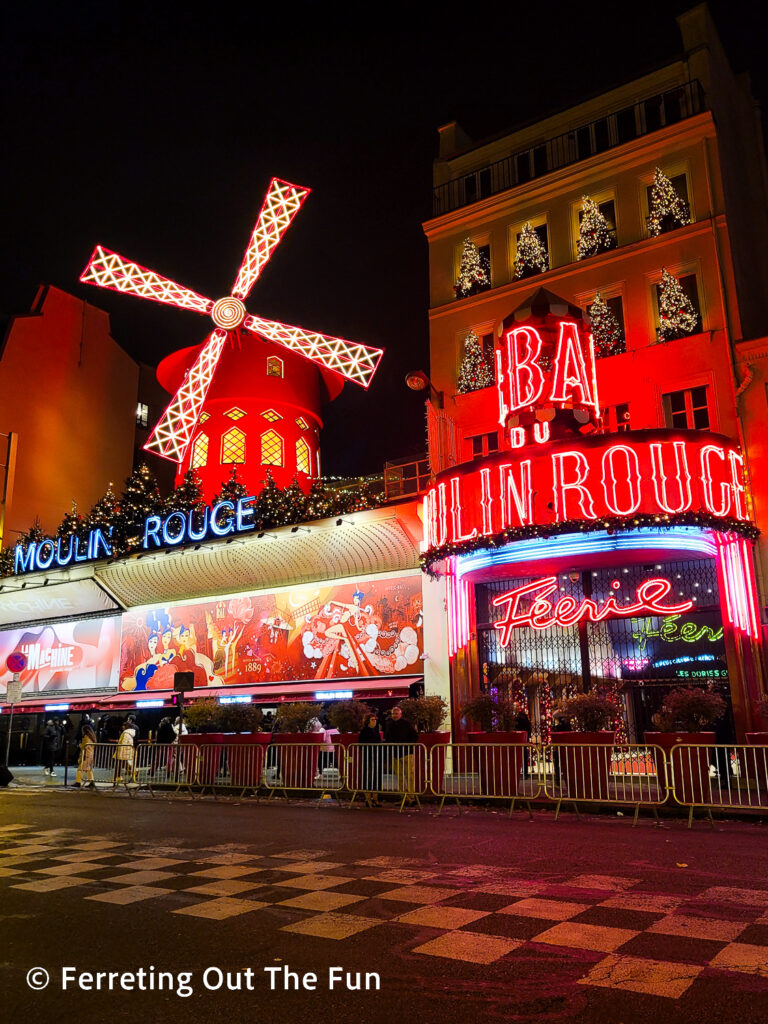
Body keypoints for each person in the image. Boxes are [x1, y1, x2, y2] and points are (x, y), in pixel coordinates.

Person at [384, 706, 418, 804]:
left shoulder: (406, 723)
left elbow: (415, 736)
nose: (394, 716)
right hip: (395, 754)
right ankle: (404, 797)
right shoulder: (389, 724)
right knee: (399, 777)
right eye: (393, 714)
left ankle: (411, 797)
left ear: (400, 714)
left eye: (396, 714)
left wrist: (408, 745)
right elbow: (387, 737)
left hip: (406, 753)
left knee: (409, 775)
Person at [359, 712, 382, 807]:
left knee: (377, 777)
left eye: (375, 720)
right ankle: (368, 798)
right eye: (373, 720)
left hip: (376, 756)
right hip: (368, 757)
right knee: (368, 777)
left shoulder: (376, 730)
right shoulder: (364, 731)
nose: (375, 721)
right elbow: (361, 744)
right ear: (368, 721)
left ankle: (375, 799)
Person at [551, 711, 572, 788]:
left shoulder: (557, 727)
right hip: (565, 748)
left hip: (558, 748)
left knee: (557, 765)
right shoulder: (568, 726)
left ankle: (557, 782)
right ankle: (568, 783)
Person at [515, 704, 532, 779]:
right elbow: (529, 728)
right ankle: (525, 773)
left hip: (518, 739)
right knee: (524, 756)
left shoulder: (517, 719)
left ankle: (518, 773)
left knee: (517, 757)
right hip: (524, 739)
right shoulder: (525, 719)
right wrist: (528, 737)